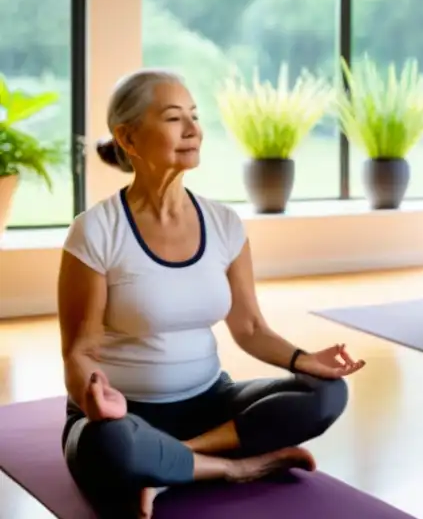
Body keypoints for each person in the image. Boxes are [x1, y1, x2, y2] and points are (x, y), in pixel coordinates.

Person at [57, 69, 365, 519]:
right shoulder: (96, 230)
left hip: (210, 407)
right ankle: (234, 467)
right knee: (109, 447)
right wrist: (93, 400)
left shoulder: (223, 224)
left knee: (327, 395)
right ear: (128, 137)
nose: (192, 130)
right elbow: (78, 352)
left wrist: (303, 360)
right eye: (172, 118)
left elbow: (251, 327)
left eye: (195, 116)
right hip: (125, 418)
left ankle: (175, 462)